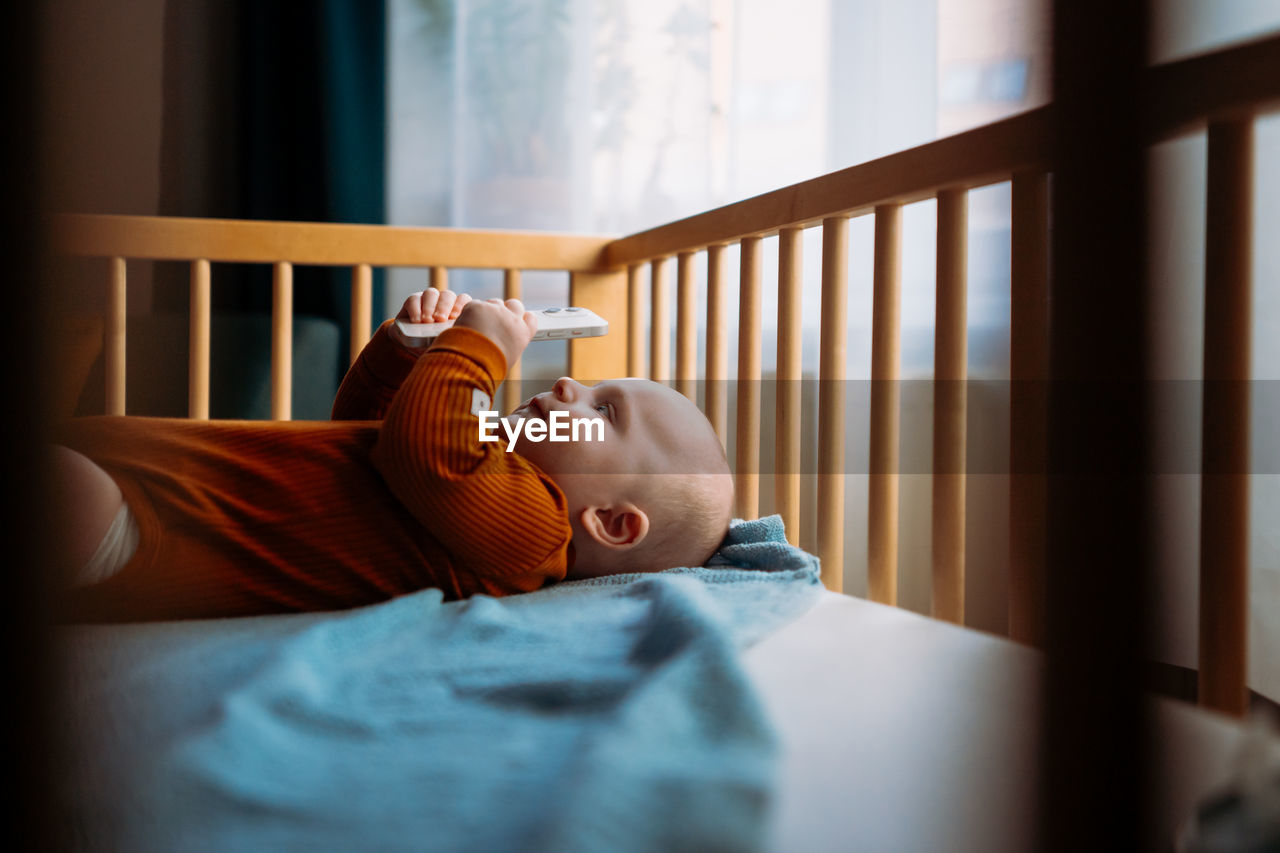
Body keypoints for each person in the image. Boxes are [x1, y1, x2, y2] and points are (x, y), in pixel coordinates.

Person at [51, 289, 734, 622]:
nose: (567, 385)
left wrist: (479, 347)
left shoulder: (534, 533)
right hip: (159, 482)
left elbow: (422, 452)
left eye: (604, 410)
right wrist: (403, 354)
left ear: (611, 523)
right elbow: (371, 434)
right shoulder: (484, 468)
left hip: (161, 528)